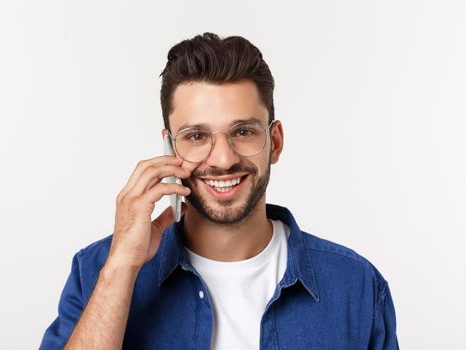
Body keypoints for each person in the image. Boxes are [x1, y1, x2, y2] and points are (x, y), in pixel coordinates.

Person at [40, 32, 398, 350]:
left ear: (274, 141)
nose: (224, 160)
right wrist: (121, 268)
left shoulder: (356, 286)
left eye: (243, 131)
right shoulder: (99, 270)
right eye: (196, 136)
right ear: (170, 148)